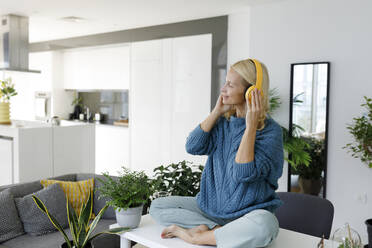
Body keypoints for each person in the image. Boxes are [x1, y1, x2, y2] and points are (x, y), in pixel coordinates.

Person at [149, 58, 284, 248]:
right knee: (158, 206)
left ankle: (196, 237)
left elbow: (243, 172)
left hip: (249, 213)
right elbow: (193, 146)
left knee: (264, 226)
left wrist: (251, 126)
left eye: (230, 84)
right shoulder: (222, 123)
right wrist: (216, 112)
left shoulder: (271, 132)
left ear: (250, 92)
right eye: (225, 82)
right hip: (209, 209)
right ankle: (215, 230)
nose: (223, 89)